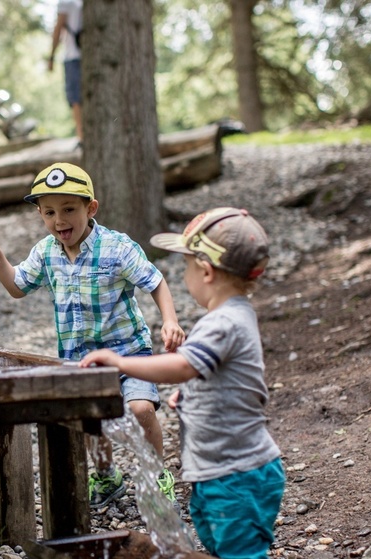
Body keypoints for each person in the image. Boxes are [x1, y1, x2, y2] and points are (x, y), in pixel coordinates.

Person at [0, 162, 186, 508]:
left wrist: (170, 320)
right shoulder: (46, 252)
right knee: (90, 420)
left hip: (130, 352)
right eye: (49, 212)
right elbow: (17, 287)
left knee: (141, 409)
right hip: (80, 360)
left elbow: (155, 281)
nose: (59, 220)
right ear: (40, 214)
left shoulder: (117, 248)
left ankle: (157, 475)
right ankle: (106, 475)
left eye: (69, 209)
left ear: (91, 208)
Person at [80, 207, 284, 559]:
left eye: (186, 266)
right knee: (215, 540)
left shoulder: (223, 323)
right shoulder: (233, 316)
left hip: (236, 474)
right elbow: (217, 376)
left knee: (240, 552)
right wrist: (189, 396)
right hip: (218, 470)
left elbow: (184, 366)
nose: (184, 275)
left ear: (205, 271)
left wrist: (119, 361)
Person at [47, 0, 83, 145]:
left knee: (75, 98)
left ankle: (81, 136)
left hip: (72, 56)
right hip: (89, 56)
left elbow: (59, 28)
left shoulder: (66, 2)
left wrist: (51, 56)